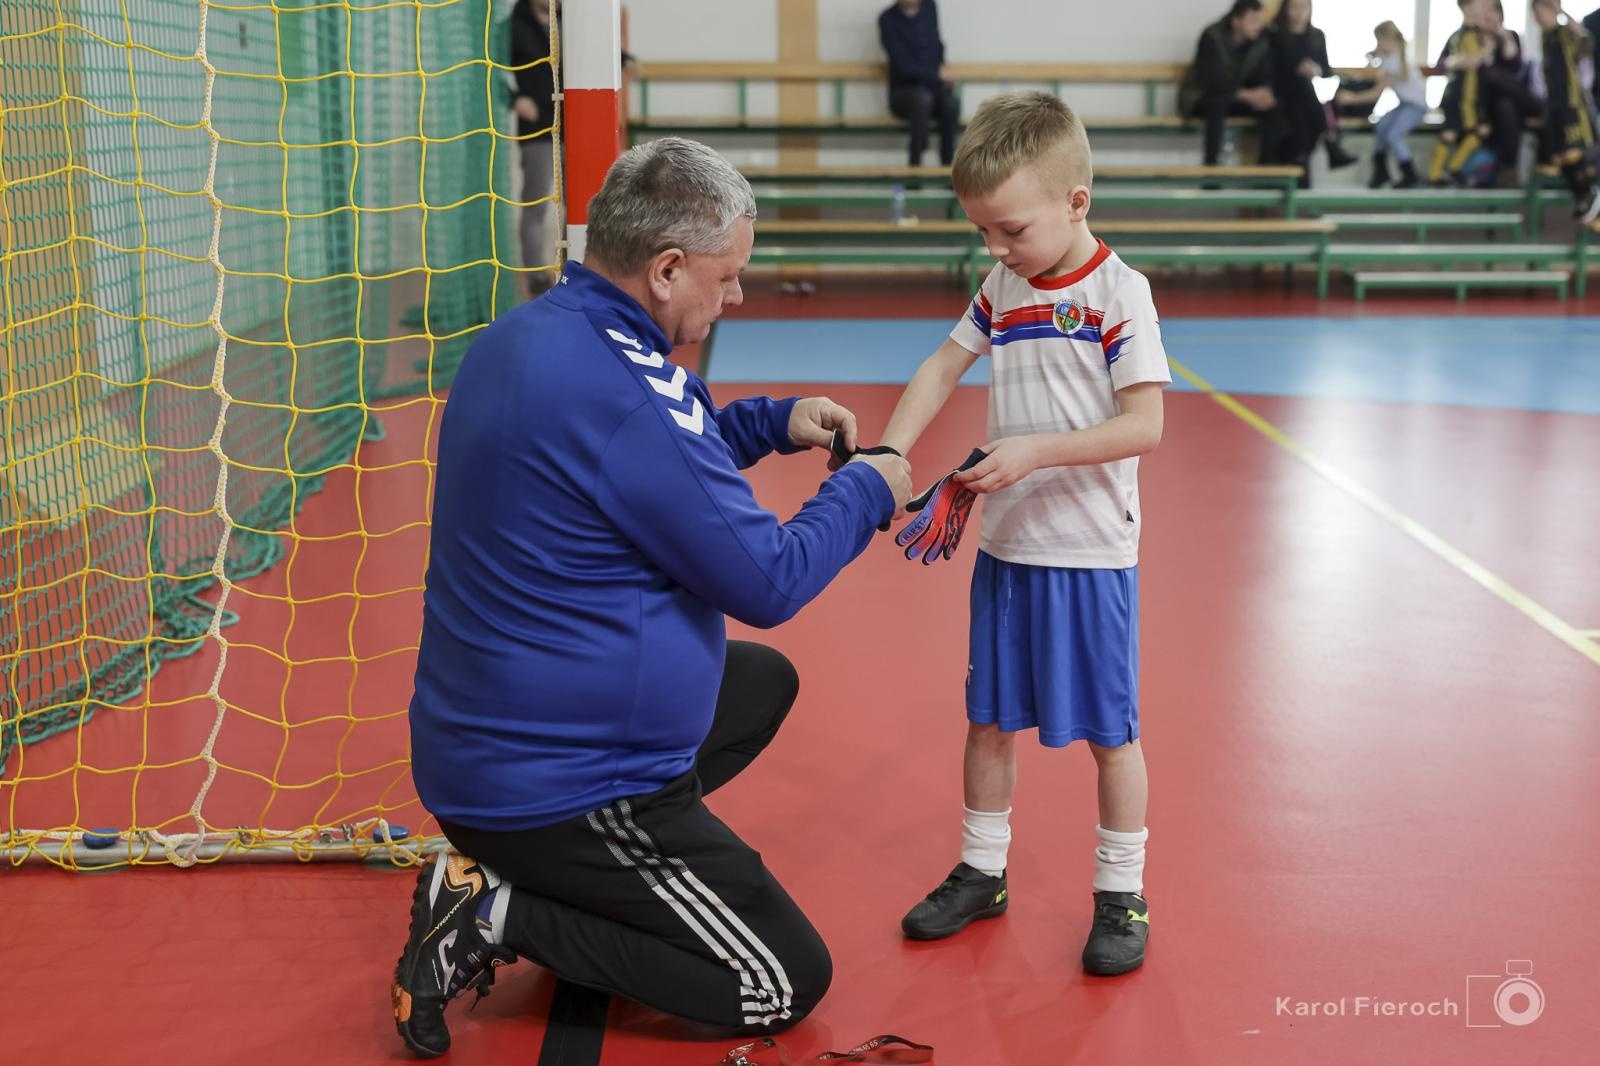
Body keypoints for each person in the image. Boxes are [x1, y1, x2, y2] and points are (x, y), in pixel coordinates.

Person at [389, 136, 914, 1058]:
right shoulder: (627, 396)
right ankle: (500, 917)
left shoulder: (539, 334)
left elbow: (655, 449)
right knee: (780, 980)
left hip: (488, 741)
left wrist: (768, 421)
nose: (737, 295)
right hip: (558, 785)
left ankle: (549, 879)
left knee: (755, 684)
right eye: (729, 275)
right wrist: (867, 489)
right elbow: (770, 579)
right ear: (668, 268)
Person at [876, 92, 1169, 976]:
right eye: (984, 233)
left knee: (1110, 734)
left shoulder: (1120, 294)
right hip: (1007, 547)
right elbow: (943, 363)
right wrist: (890, 449)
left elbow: (1144, 424)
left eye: (1010, 229)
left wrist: (1036, 451)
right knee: (987, 721)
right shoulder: (1004, 285)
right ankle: (982, 871)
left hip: (1087, 555)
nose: (994, 250)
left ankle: (1122, 893)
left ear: (1076, 202)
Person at [1179, 0, 1283, 167]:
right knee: (1217, 104)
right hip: (1201, 96)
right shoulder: (1212, 36)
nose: (1258, 25)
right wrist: (1248, 95)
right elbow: (1212, 82)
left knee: (1273, 107)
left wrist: (1264, 93)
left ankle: (1266, 170)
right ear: (1236, 21)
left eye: (1260, 20)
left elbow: (1264, 74)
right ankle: (1211, 168)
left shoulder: (1262, 40)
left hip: (1237, 99)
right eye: (1252, 20)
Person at [1271, 0, 1357, 183]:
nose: (1299, 12)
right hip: (1283, 95)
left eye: (1304, 7)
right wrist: (1295, 69)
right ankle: (1331, 141)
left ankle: (1318, 152)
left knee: (1304, 131)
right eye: (1294, 7)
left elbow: (1326, 70)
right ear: (1285, 9)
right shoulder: (1275, 36)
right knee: (1305, 96)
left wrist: (1316, 70)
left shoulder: (1317, 35)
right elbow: (1270, 70)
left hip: (1305, 100)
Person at [1337, 21, 1428, 188]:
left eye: (1379, 41)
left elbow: (1375, 94)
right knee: (1381, 125)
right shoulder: (1390, 59)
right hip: (1404, 104)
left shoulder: (1396, 63)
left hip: (1415, 107)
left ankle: (1411, 175)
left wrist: (1351, 98)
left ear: (1388, 40)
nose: (1377, 45)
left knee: (1394, 135)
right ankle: (1381, 171)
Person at [1531, 0, 1600, 221]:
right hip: (1555, 110)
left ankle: (1592, 197)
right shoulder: (1545, 38)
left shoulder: (1567, 33)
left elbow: (1584, 38)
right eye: (1536, 12)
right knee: (1561, 159)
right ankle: (1587, 202)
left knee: (1579, 154)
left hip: (1574, 108)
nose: (1539, 16)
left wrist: (1561, 12)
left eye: (1543, 10)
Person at [510, 0, 557, 295]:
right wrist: (514, 99)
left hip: (571, 128)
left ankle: (577, 268)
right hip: (538, 130)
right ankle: (536, 278)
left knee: (582, 203)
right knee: (536, 204)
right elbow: (486, 75)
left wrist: (625, 57)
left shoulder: (569, 26)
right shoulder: (511, 28)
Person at [879, 0, 960, 167]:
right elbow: (903, 67)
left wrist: (945, 69)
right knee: (922, 100)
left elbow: (936, 44)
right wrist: (936, 74)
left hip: (933, 88)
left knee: (950, 104)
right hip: (903, 93)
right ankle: (915, 166)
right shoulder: (887, 19)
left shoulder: (929, 7)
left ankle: (949, 166)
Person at [1428, 0, 1493, 185]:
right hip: (1460, 95)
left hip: (1471, 96)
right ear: (1466, 8)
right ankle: (1437, 174)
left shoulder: (1474, 34)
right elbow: (1444, 65)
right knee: (1453, 132)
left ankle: (1451, 169)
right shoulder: (1464, 35)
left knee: (1475, 131)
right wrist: (1485, 50)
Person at [1478, 0, 1539, 174]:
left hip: (1510, 102)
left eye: (1493, 11)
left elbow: (1513, 60)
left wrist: (1501, 35)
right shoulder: (1471, 38)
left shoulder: (1510, 36)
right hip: (1486, 103)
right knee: (1491, 76)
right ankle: (1535, 106)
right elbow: (1443, 65)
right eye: (1484, 11)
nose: (1489, 16)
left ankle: (1509, 168)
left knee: (1506, 104)